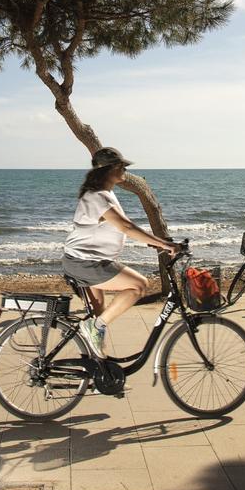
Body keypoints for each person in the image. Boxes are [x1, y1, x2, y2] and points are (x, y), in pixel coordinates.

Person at [62, 147, 181, 359]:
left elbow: (116, 229)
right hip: (86, 263)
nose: (125, 169)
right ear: (109, 169)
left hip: (88, 260)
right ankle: (93, 328)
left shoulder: (103, 194)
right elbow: (125, 227)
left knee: (99, 313)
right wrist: (163, 243)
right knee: (138, 285)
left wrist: (153, 242)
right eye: (121, 166)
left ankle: (100, 371)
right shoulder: (97, 197)